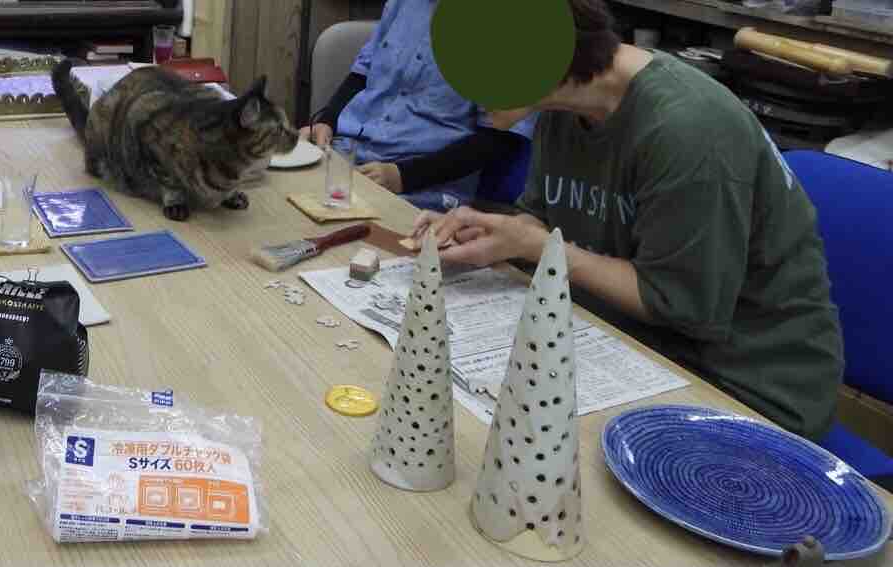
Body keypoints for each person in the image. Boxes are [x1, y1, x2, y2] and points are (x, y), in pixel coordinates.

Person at [416, 0, 841, 440]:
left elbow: (679, 303)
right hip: (627, 339)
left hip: (742, 383)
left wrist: (535, 246)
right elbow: (540, 221)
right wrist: (493, 234)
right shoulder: (562, 110)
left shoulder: (688, 128)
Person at [301, 0, 536, 212]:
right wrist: (327, 121)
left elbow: (499, 139)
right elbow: (363, 71)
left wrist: (402, 176)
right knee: (283, 197)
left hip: (422, 186)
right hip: (346, 154)